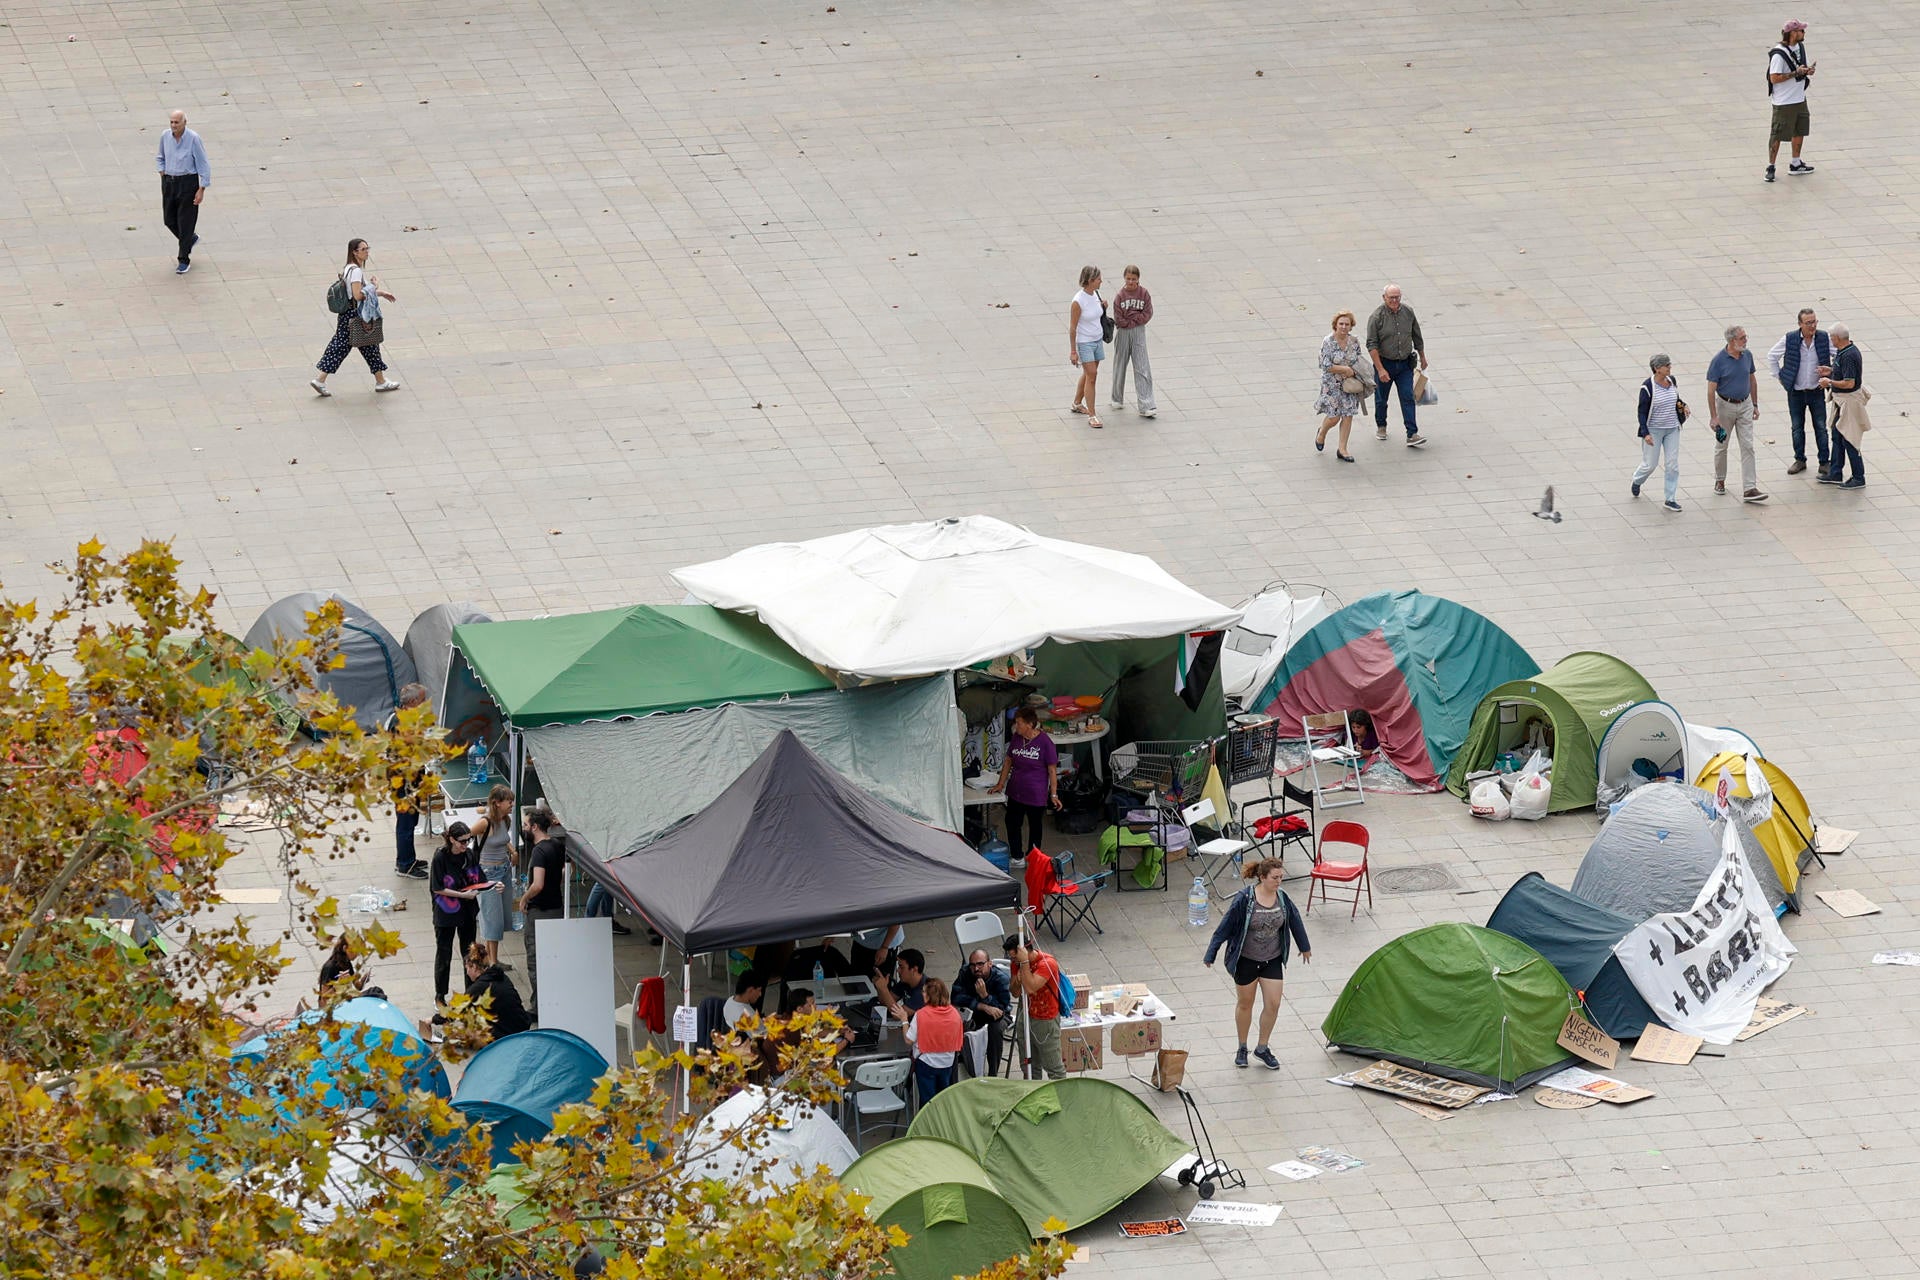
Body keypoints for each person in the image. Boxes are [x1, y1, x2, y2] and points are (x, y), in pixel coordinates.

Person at [1202, 857, 1311, 1070]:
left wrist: (1304, 947)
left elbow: (1294, 920)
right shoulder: (1245, 898)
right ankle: (1242, 1047)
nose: (1279, 881)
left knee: (1274, 1004)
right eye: (1274, 878)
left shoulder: (1282, 897)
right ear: (1262, 877)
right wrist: (1211, 953)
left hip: (1272, 959)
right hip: (1246, 960)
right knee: (1245, 1004)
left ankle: (1262, 1047)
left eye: (1281, 877)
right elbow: (1225, 926)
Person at [311, 239, 401, 396]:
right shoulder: (356, 271)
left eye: (367, 248)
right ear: (355, 252)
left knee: (366, 346)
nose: (367, 252)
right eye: (363, 249)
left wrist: (381, 293)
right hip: (355, 315)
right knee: (345, 346)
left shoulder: (348, 269)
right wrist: (374, 287)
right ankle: (320, 380)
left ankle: (380, 381)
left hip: (348, 314)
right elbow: (358, 295)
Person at [428, 822, 490, 1025]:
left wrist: (492, 885)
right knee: (444, 953)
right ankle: (440, 995)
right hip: (446, 911)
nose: (466, 844)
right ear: (452, 839)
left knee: (469, 952)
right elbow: (438, 888)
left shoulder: (469, 855)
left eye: (468, 840)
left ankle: (469, 993)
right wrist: (464, 895)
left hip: (466, 911)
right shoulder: (440, 857)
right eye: (462, 841)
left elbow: (478, 877)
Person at [1766, 309, 1831, 477]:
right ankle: (1800, 459)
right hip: (1796, 392)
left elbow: (1838, 354)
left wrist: (1831, 372)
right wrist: (1780, 377)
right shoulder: (1790, 339)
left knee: (1821, 427)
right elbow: (1772, 356)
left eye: (1815, 321)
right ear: (1800, 324)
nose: (1813, 326)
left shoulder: (1823, 337)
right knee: (1797, 427)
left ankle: (1824, 462)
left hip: (1816, 390)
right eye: (1808, 323)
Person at [1706, 326, 1768, 503]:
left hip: (1745, 405)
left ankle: (1749, 488)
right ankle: (1720, 479)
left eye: (1745, 337)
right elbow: (1711, 391)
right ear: (1732, 341)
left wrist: (1755, 404)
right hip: (1725, 406)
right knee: (1722, 444)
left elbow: (1752, 379)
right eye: (1742, 338)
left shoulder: (1747, 355)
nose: (1745, 340)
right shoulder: (1718, 361)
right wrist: (1713, 416)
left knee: (1748, 445)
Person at [516, 807, 568, 1009]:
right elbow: (564, 871)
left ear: (535, 827)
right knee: (554, 958)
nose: (524, 828)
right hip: (556, 907)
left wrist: (524, 898)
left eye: (526, 825)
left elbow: (537, 884)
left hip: (539, 913)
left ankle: (540, 1006)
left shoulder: (538, 851)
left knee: (536, 961)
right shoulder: (556, 844)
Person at [991, 708, 1059, 859]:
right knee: (1012, 822)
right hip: (1016, 790)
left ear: (1029, 724)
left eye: (1019, 723)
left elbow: (1052, 770)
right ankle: (1017, 856)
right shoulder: (1017, 737)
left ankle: (1033, 857)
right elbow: (1008, 761)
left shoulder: (1045, 742)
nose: (1016, 726)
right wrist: (1000, 784)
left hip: (1035, 793)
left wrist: (1053, 794)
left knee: (1035, 826)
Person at [1366, 284, 1428, 447]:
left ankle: (1412, 433)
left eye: (1397, 297)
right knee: (1381, 399)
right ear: (1384, 298)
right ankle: (1381, 425)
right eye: (1391, 297)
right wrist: (1380, 369)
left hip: (1405, 364)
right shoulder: (1376, 317)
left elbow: (1416, 336)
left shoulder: (1408, 312)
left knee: (1408, 396)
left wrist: (1422, 356)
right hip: (1385, 363)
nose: (1395, 300)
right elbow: (1371, 345)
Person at [1003, 934, 1065, 1080]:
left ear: (1025, 951)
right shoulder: (1016, 963)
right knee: (1029, 1066)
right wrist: (1017, 981)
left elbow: (1031, 987)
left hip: (1045, 1020)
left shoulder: (1047, 963)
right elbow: (1015, 993)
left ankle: (1062, 1100)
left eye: (1014, 957)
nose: (1013, 961)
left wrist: (1024, 963)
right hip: (1025, 1016)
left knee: (1054, 1067)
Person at [155, 110, 209, 275]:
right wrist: (162, 171)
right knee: (169, 219)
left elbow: (203, 163)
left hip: (187, 182)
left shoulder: (193, 139)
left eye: (177, 122)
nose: (173, 126)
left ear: (185, 122)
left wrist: (202, 188)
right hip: (169, 182)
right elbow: (160, 157)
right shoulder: (165, 136)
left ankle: (183, 259)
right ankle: (189, 240)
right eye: (171, 122)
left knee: (185, 222)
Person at [386, 683, 431, 879]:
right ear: (413, 702)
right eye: (422, 700)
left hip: (410, 779)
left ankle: (408, 858)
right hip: (403, 781)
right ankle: (404, 865)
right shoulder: (403, 725)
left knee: (410, 821)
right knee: (405, 823)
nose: (425, 703)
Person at [1633, 354, 1688, 513]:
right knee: (1650, 464)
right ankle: (1637, 481)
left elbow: (1675, 399)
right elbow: (1641, 412)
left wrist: (1683, 406)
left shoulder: (1672, 381)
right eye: (1666, 366)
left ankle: (1670, 499)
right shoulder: (1647, 388)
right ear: (1657, 369)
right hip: (1654, 430)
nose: (1670, 367)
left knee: (1672, 464)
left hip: (1672, 428)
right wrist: (1646, 433)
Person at [470, 785, 516, 968]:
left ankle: (491, 958)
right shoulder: (484, 822)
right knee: (492, 918)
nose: (512, 804)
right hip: (488, 874)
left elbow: (505, 840)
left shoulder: (505, 820)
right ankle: (492, 961)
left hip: (504, 870)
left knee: (501, 917)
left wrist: (512, 851)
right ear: (497, 803)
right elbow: (464, 835)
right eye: (509, 801)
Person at [1766, 21, 1816, 182]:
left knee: (1800, 130)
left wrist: (1807, 71)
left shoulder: (1800, 48)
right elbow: (1774, 78)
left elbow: (1800, 67)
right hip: (1783, 102)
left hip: (1799, 98)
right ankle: (1771, 166)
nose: (1804, 33)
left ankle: (1796, 163)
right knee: (1777, 134)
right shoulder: (1778, 54)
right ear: (1793, 33)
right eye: (1802, 30)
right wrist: (1796, 73)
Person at [1314, 310, 1366, 463]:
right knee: (1334, 417)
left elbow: (1358, 359)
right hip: (1332, 384)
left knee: (1348, 415)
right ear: (1335, 325)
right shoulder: (1328, 341)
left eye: (1347, 324)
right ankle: (1322, 432)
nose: (1343, 327)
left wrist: (1355, 372)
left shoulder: (1354, 341)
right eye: (1341, 324)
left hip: (1349, 384)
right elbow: (1324, 365)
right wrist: (1344, 369)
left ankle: (1342, 449)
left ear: (1351, 327)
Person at [951, 948, 1013, 1076]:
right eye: (973, 965)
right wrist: (981, 1005)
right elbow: (955, 997)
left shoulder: (1001, 978)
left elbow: (1002, 1008)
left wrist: (985, 996)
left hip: (1000, 1016)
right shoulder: (965, 972)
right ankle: (963, 1068)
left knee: (995, 1030)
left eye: (980, 964)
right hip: (974, 1012)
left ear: (989, 964)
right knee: (955, 1023)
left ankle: (992, 1074)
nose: (976, 968)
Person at [1821, 324, 1868, 488]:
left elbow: (1849, 383)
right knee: (1837, 437)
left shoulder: (1849, 355)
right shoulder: (1844, 352)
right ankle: (1835, 472)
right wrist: (1830, 371)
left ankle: (1858, 476)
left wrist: (1829, 381)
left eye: (1831, 337)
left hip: (1848, 403)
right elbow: (1843, 373)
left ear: (1837, 338)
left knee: (1850, 439)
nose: (1830, 340)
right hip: (1841, 402)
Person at [906, 978, 965, 1104]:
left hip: (926, 1064)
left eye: (924, 992)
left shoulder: (921, 1014)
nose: (922, 994)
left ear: (929, 996)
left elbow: (908, 1040)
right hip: (948, 1063)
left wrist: (903, 1020)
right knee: (942, 1099)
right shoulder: (954, 1014)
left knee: (927, 1101)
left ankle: (927, 1122)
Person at [1109, 265, 1156, 419]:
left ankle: (1146, 404)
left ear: (1138, 279)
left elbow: (1148, 312)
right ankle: (1117, 398)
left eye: (1133, 279)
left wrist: (1135, 321)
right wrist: (1128, 324)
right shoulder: (1120, 296)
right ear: (1124, 278)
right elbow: (1118, 317)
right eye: (1128, 279)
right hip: (1123, 332)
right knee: (1119, 364)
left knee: (1142, 367)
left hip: (1138, 331)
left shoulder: (1144, 293)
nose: (1130, 282)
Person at [463, 942, 531, 1041]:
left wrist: (433, 1020)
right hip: (522, 1023)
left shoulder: (478, 988)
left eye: (467, 968)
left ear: (474, 967)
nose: (467, 973)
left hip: (509, 1034)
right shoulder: (502, 976)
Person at [1068, 266, 1107, 429]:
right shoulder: (1078, 301)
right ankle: (1092, 415)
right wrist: (1073, 351)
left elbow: (1095, 313)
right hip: (1085, 342)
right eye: (1098, 279)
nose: (1101, 281)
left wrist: (1103, 307)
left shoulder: (1095, 294)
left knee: (1088, 373)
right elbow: (1072, 327)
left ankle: (1077, 403)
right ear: (1090, 281)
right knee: (1092, 376)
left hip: (1097, 340)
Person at [879, 948, 928, 1021]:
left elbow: (898, 1016)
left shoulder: (924, 991)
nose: (898, 970)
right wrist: (881, 988)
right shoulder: (905, 981)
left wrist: (884, 989)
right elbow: (884, 1002)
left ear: (914, 969)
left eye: (901, 967)